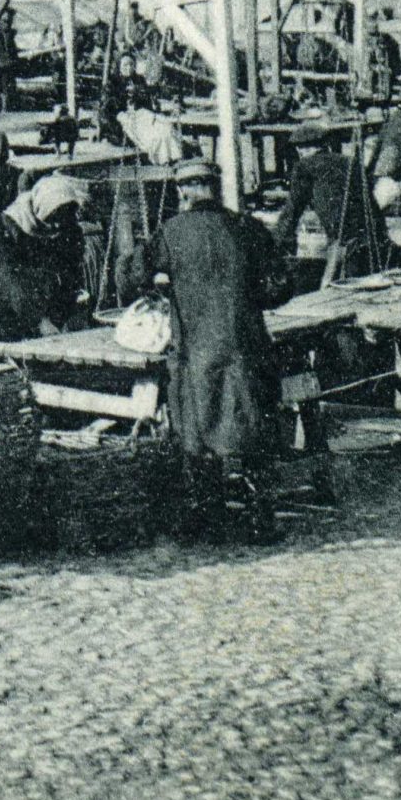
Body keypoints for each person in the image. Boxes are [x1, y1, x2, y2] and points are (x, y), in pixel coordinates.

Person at [132, 161, 287, 544]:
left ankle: (207, 517)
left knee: (196, 432)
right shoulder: (248, 227)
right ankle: (260, 518)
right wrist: (249, 295)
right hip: (247, 347)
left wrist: (167, 286)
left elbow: (134, 275)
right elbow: (281, 286)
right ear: (215, 188)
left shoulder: (171, 232)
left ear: (183, 191)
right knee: (253, 427)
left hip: (197, 351)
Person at [0, 174, 93, 340]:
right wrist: (40, 321)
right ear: (40, 209)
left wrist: (66, 312)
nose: (56, 225)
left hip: (54, 314)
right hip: (16, 313)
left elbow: (71, 270)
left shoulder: (69, 229)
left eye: (62, 218)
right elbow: (9, 280)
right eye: (53, 218)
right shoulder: (5, 229)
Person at [275, 123, 385, 285]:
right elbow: (370, 201)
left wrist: (277, 244)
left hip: (342, 241)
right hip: (372, 235)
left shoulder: (304, 166)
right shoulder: (350, 162)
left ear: (300, 149)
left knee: (330, 286)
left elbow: (292, 211)